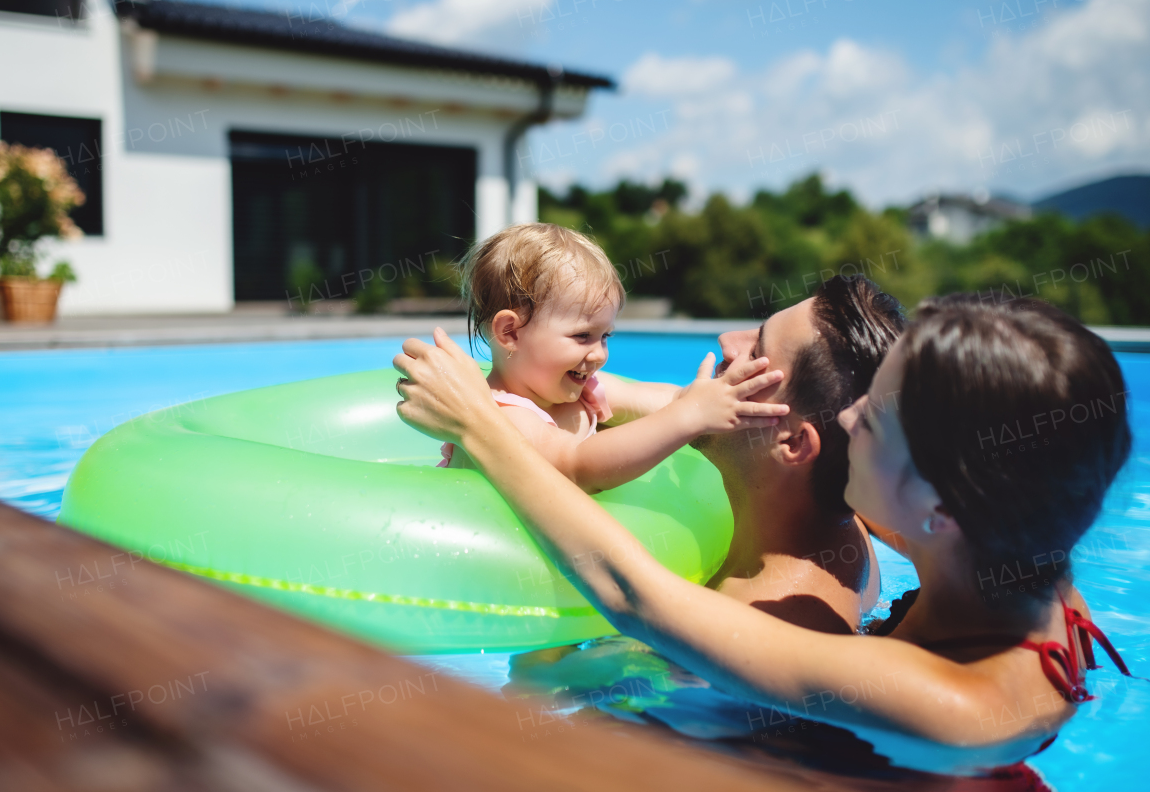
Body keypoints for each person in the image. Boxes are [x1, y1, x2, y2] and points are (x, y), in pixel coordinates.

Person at [394, 294, 1135, 774]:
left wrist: (480, 427)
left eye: (872, 421)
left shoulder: (955, 709)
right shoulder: (1008, 534)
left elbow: (632, 594)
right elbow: (730, 420)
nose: (850, 422)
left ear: (935, 502)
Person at [596, 275, 906, 633]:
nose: (727, 341)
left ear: (792, 444)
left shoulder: (753, 625)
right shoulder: (844, 515)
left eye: (756, 353)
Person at [438, 222, 789, 494]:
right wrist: (690, 416)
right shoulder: (503, 418)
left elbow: (662, 399)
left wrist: (718, 396)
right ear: (510, 333)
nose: (600, 354)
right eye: (582, 336)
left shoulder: (584, 389)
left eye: (605, 336)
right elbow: (577, 466)